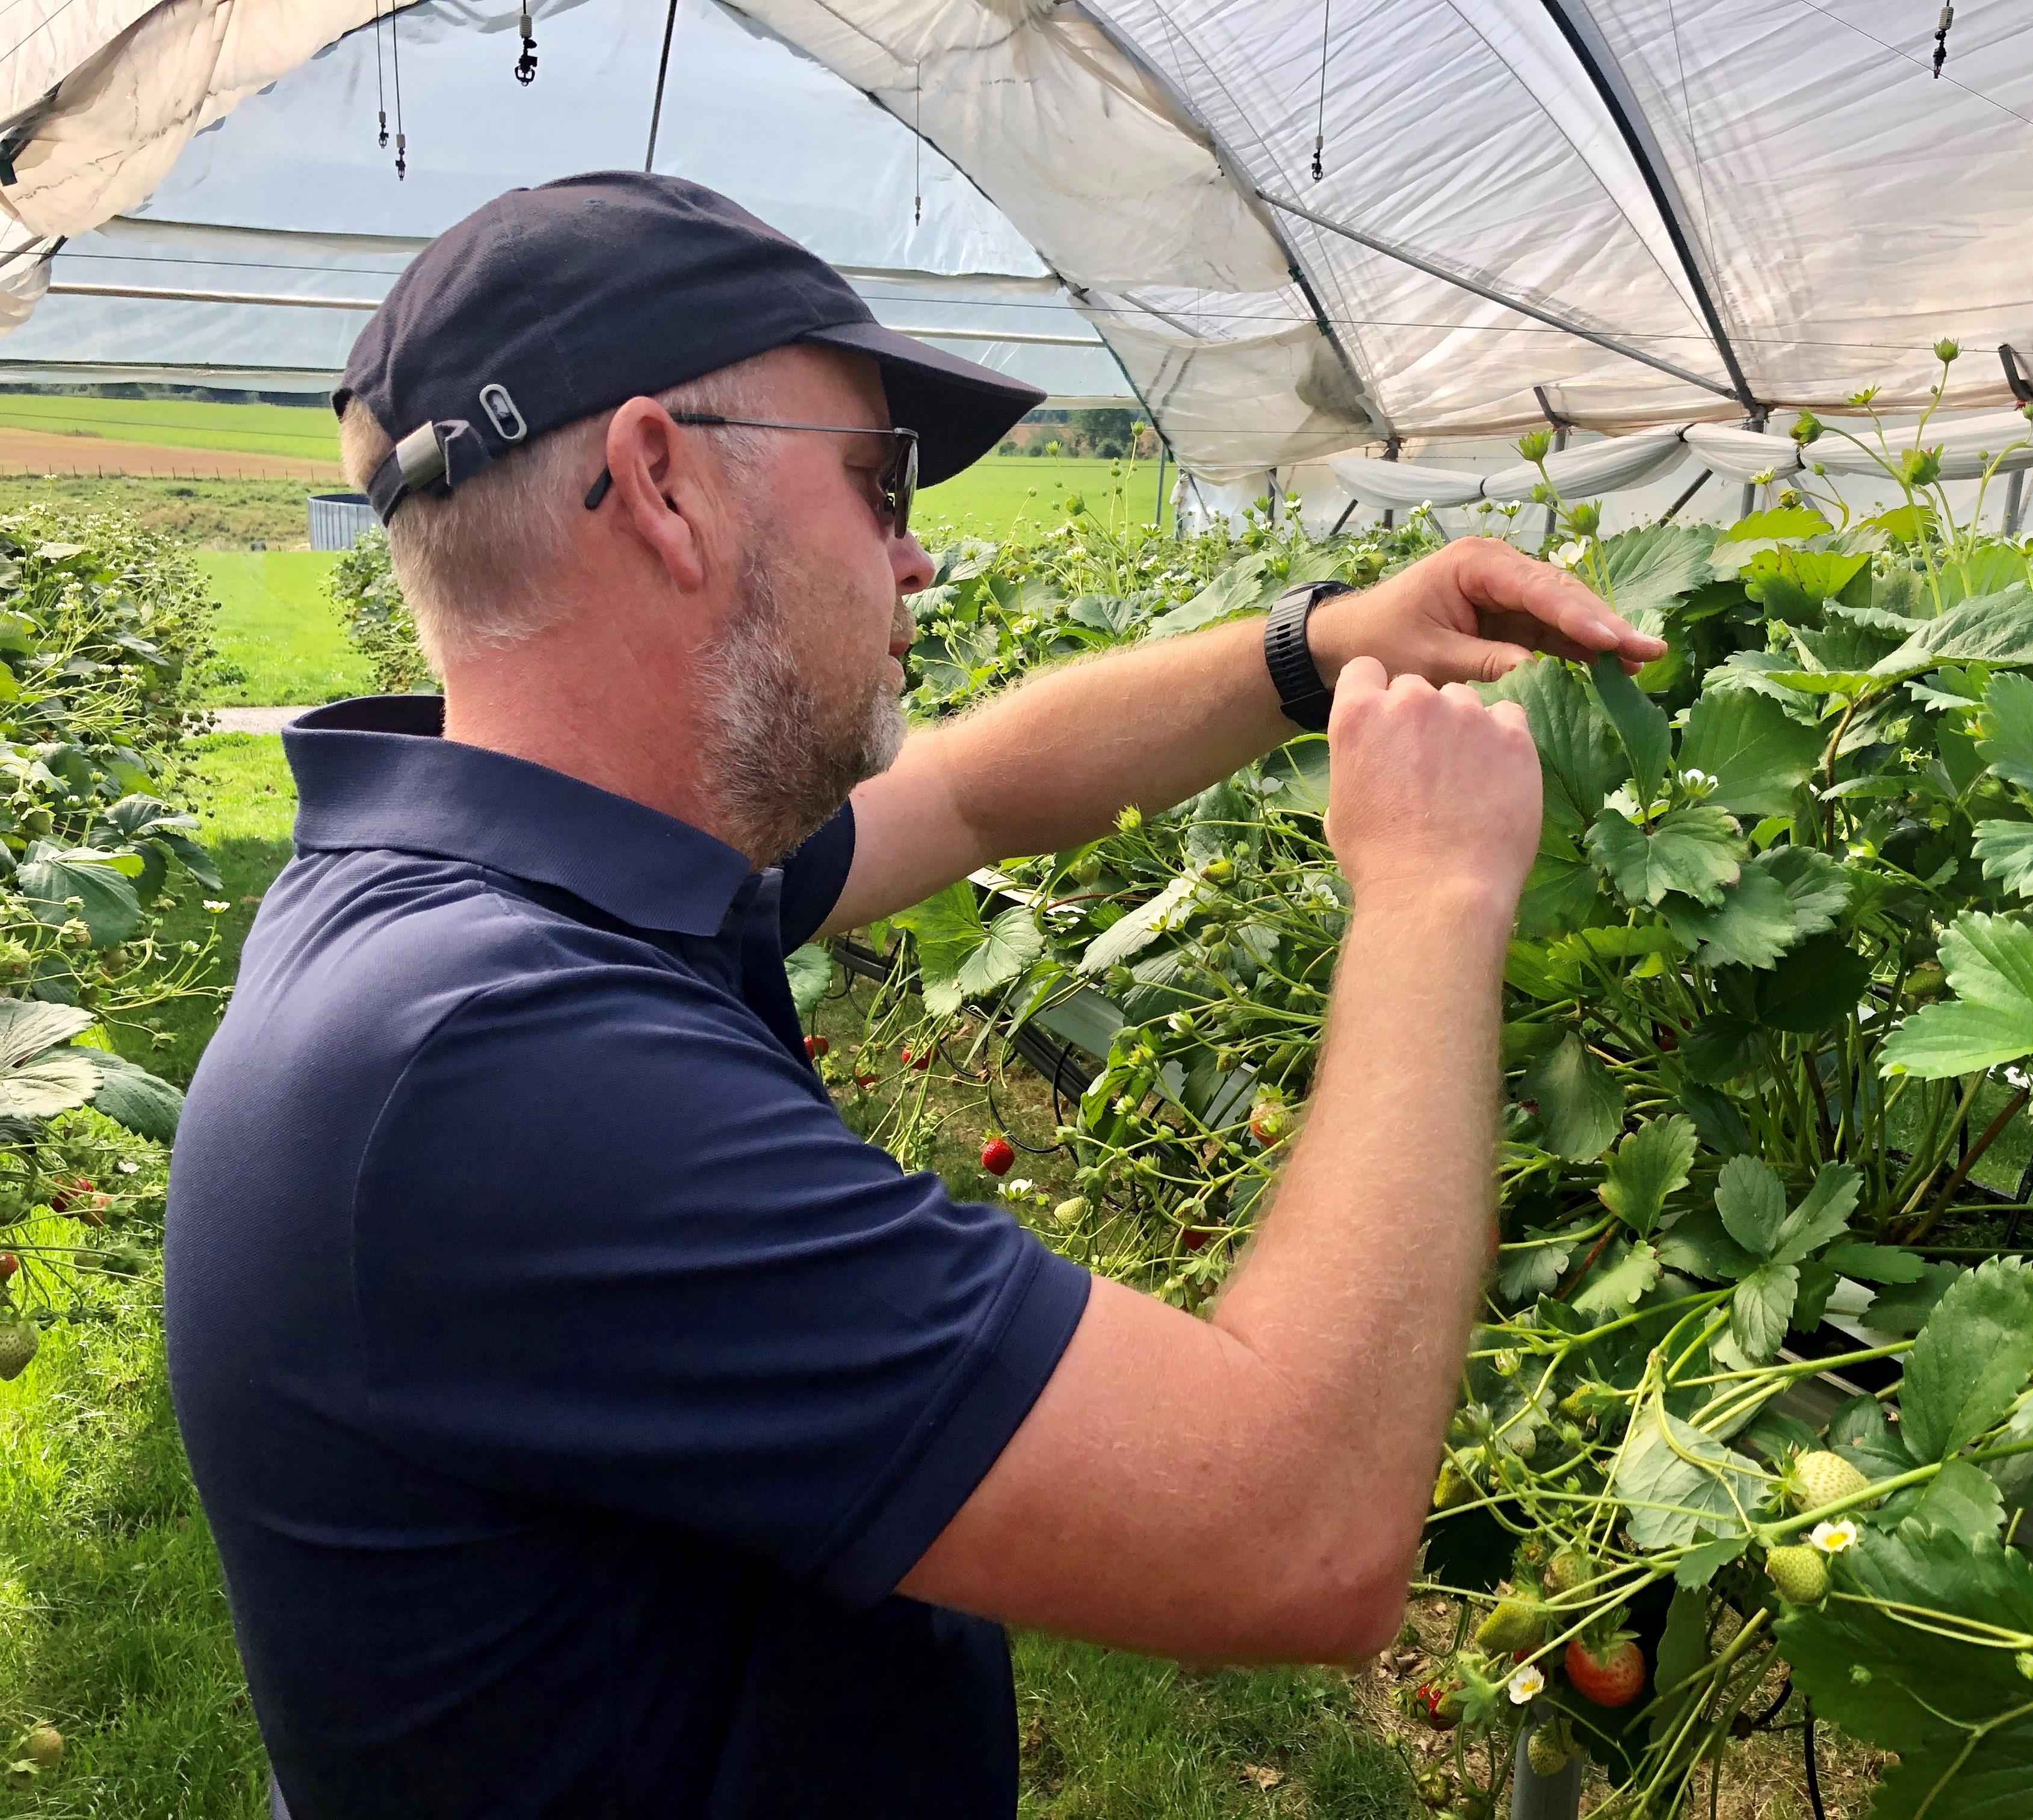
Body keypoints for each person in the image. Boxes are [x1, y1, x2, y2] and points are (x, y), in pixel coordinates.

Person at [164, 171, 1662, 1820]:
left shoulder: (503, 904)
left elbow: (962, 797)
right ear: (663, 481)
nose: (923, 553)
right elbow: (1295, 1527)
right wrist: (1437, 890)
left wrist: (1314, 649)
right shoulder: (501, 1067)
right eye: (879, 481)